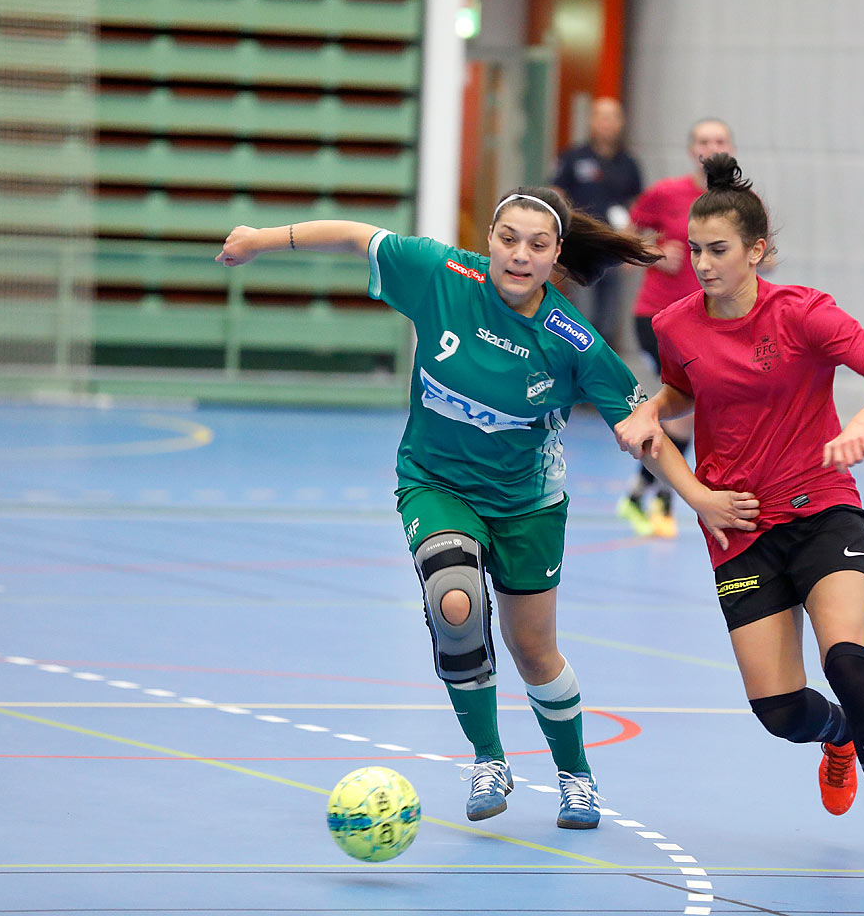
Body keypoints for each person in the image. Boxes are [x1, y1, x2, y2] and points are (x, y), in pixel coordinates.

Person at [216, 189, 758, 829]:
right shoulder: (443, 276)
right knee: (455, 604)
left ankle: (575, 775)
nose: (519, 256)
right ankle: (489, 758)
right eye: (507, 239)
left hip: (528, 503)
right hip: (435, 480)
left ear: (556, 254)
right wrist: (260, 237)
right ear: (489, 239)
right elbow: (355, 234)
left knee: (534, 652)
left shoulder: (570, 339)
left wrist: (696, 496)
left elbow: (645, 427)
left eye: (536, 245)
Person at [613, 153, 864, 878]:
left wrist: (862, 426)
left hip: (822, 509)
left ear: (756, 250)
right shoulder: (675, 324)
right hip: (737, 528)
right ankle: (837, 736)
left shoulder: (804, 313)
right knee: (780, 711)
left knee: (848, 659)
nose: (701, 264)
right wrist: (652, 411)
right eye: (694, 250)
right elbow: (683, 387)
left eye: (718, 251)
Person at [616, 117, 736, 539]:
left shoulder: (741, 203)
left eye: (719, 140)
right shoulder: (667, 193)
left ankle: (642, 494)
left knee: (689, 411)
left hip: (711, 323)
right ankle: (658, 499)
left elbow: (765, 254)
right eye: (703, 140)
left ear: (731, 148)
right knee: (687, 404)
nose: (711, 146)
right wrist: (653, 253)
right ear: (691, 150)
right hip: (659, 317)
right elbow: (626, 239)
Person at [549, 97, 645, 347]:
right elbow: (556, 195)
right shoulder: (572, 158)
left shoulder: (629, 163)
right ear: (592, 121)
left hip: (613, 247)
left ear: (620, 123)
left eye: (612, 117)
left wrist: (631, 245)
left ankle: (601, 371)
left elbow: (637, 206)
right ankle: (575, 363)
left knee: (609, 319)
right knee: (583, 314)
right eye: (601, 116)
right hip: (580, 246)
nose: (607, 123)